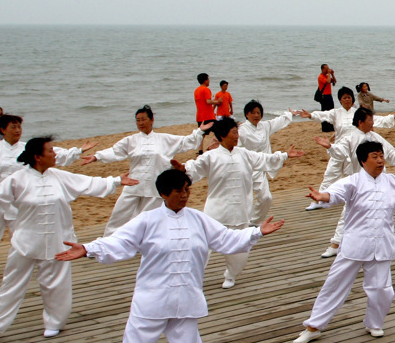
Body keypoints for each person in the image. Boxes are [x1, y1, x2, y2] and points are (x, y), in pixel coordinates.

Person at [56, 168, 283, 343]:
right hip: (151, 300)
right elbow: (118, 242)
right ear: (164, 193)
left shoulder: (199, 219)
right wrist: (87, 249)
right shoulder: (147, 220)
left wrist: (256, 232)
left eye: (188, 190)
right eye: (179, 191)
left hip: (186, 297)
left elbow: (226, 239)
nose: (185, 196)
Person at [0, 137, 136, 343]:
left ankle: (54, 323)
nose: (55, 154)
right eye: (50, 151)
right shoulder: (17, 179)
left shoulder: (58, 176)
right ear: (37, 157)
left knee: (56, 285)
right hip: (25, 241)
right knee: (10, 286)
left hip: (58, 239)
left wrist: (115, 181)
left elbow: (86, 183)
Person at [293, 141, 395, 343]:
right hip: (355, 244)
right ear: (363, 160)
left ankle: (374, 323)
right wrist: (323, 197)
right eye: (375, 156)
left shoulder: (391, 182)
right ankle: (313, 327)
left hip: (382, 244)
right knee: (334, 285)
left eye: (381, 156)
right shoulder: (353, 182)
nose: (380, 160)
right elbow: (335, 194)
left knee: (382, 289)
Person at [0, 115, 93, 280]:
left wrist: (77, 151)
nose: (17, 130)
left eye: (19, 127)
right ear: (3, 130)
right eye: (13, 127)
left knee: (23, 236)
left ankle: (35, 266)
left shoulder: (26, 148)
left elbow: (54, 154)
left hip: (22, 201)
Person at [176, 117, 303, 288]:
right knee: (201, 247)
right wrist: (184, 168)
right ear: (222, 135)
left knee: (240, 252)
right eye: (234, 132)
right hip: (216, 212)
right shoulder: (211, 157)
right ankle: (191, 278)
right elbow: (194, 168)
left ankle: (231, 275)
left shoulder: (244, 154)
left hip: (241, 211)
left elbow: (264, 159)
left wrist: (285, 155)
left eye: (237, 132)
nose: (237, 136)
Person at [81, 105, 212, 235]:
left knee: (149, 219)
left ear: (151, 120)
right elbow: (115, 151)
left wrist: (199, 131)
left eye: (143, 119)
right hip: (133, 183)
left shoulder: (164, 139)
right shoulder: (131, 140)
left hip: (153, 186)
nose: (141, 123)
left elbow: (186, 142)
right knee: (119, 215)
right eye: (137, 120)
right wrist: (96, 156)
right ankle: (107, 242)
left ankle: (144, 242)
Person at [315, 107, 395, 257]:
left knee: (381, 212)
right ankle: (336, 244)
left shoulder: (375, 136)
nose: (373, 122)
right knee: (348, 212)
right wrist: (330, 147)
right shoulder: (350, 137)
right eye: (370, 120)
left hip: (378, 181)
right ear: (361, 122)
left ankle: (377, 244)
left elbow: (389, 152)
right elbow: (340, 152)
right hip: (359, 182)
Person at [237, 100, 298, 226]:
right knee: (244, 200)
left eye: (258, 112)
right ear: (247, 114)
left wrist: (289, 114)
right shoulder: (241, 130)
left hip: (260, 168)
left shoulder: (264, 126)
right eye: (253, 112)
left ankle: (254, 222)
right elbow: (232, 145)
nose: (256, 115)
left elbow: (278, 122)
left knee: (266, 198)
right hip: (245, 169)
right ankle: (241, 224)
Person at [316, 64, 337, 132]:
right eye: (326, 69)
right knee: (325, 112)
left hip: (329, 95)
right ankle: (325, 128)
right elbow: (327, 81)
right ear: (322, 69)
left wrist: (332, 74)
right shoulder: (321, 77)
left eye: (328, 68)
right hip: (324, 96)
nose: (328, 70)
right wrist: (329, 74)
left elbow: (334, 81)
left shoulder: (327, 76)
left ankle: (331, 126)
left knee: (331, 111)